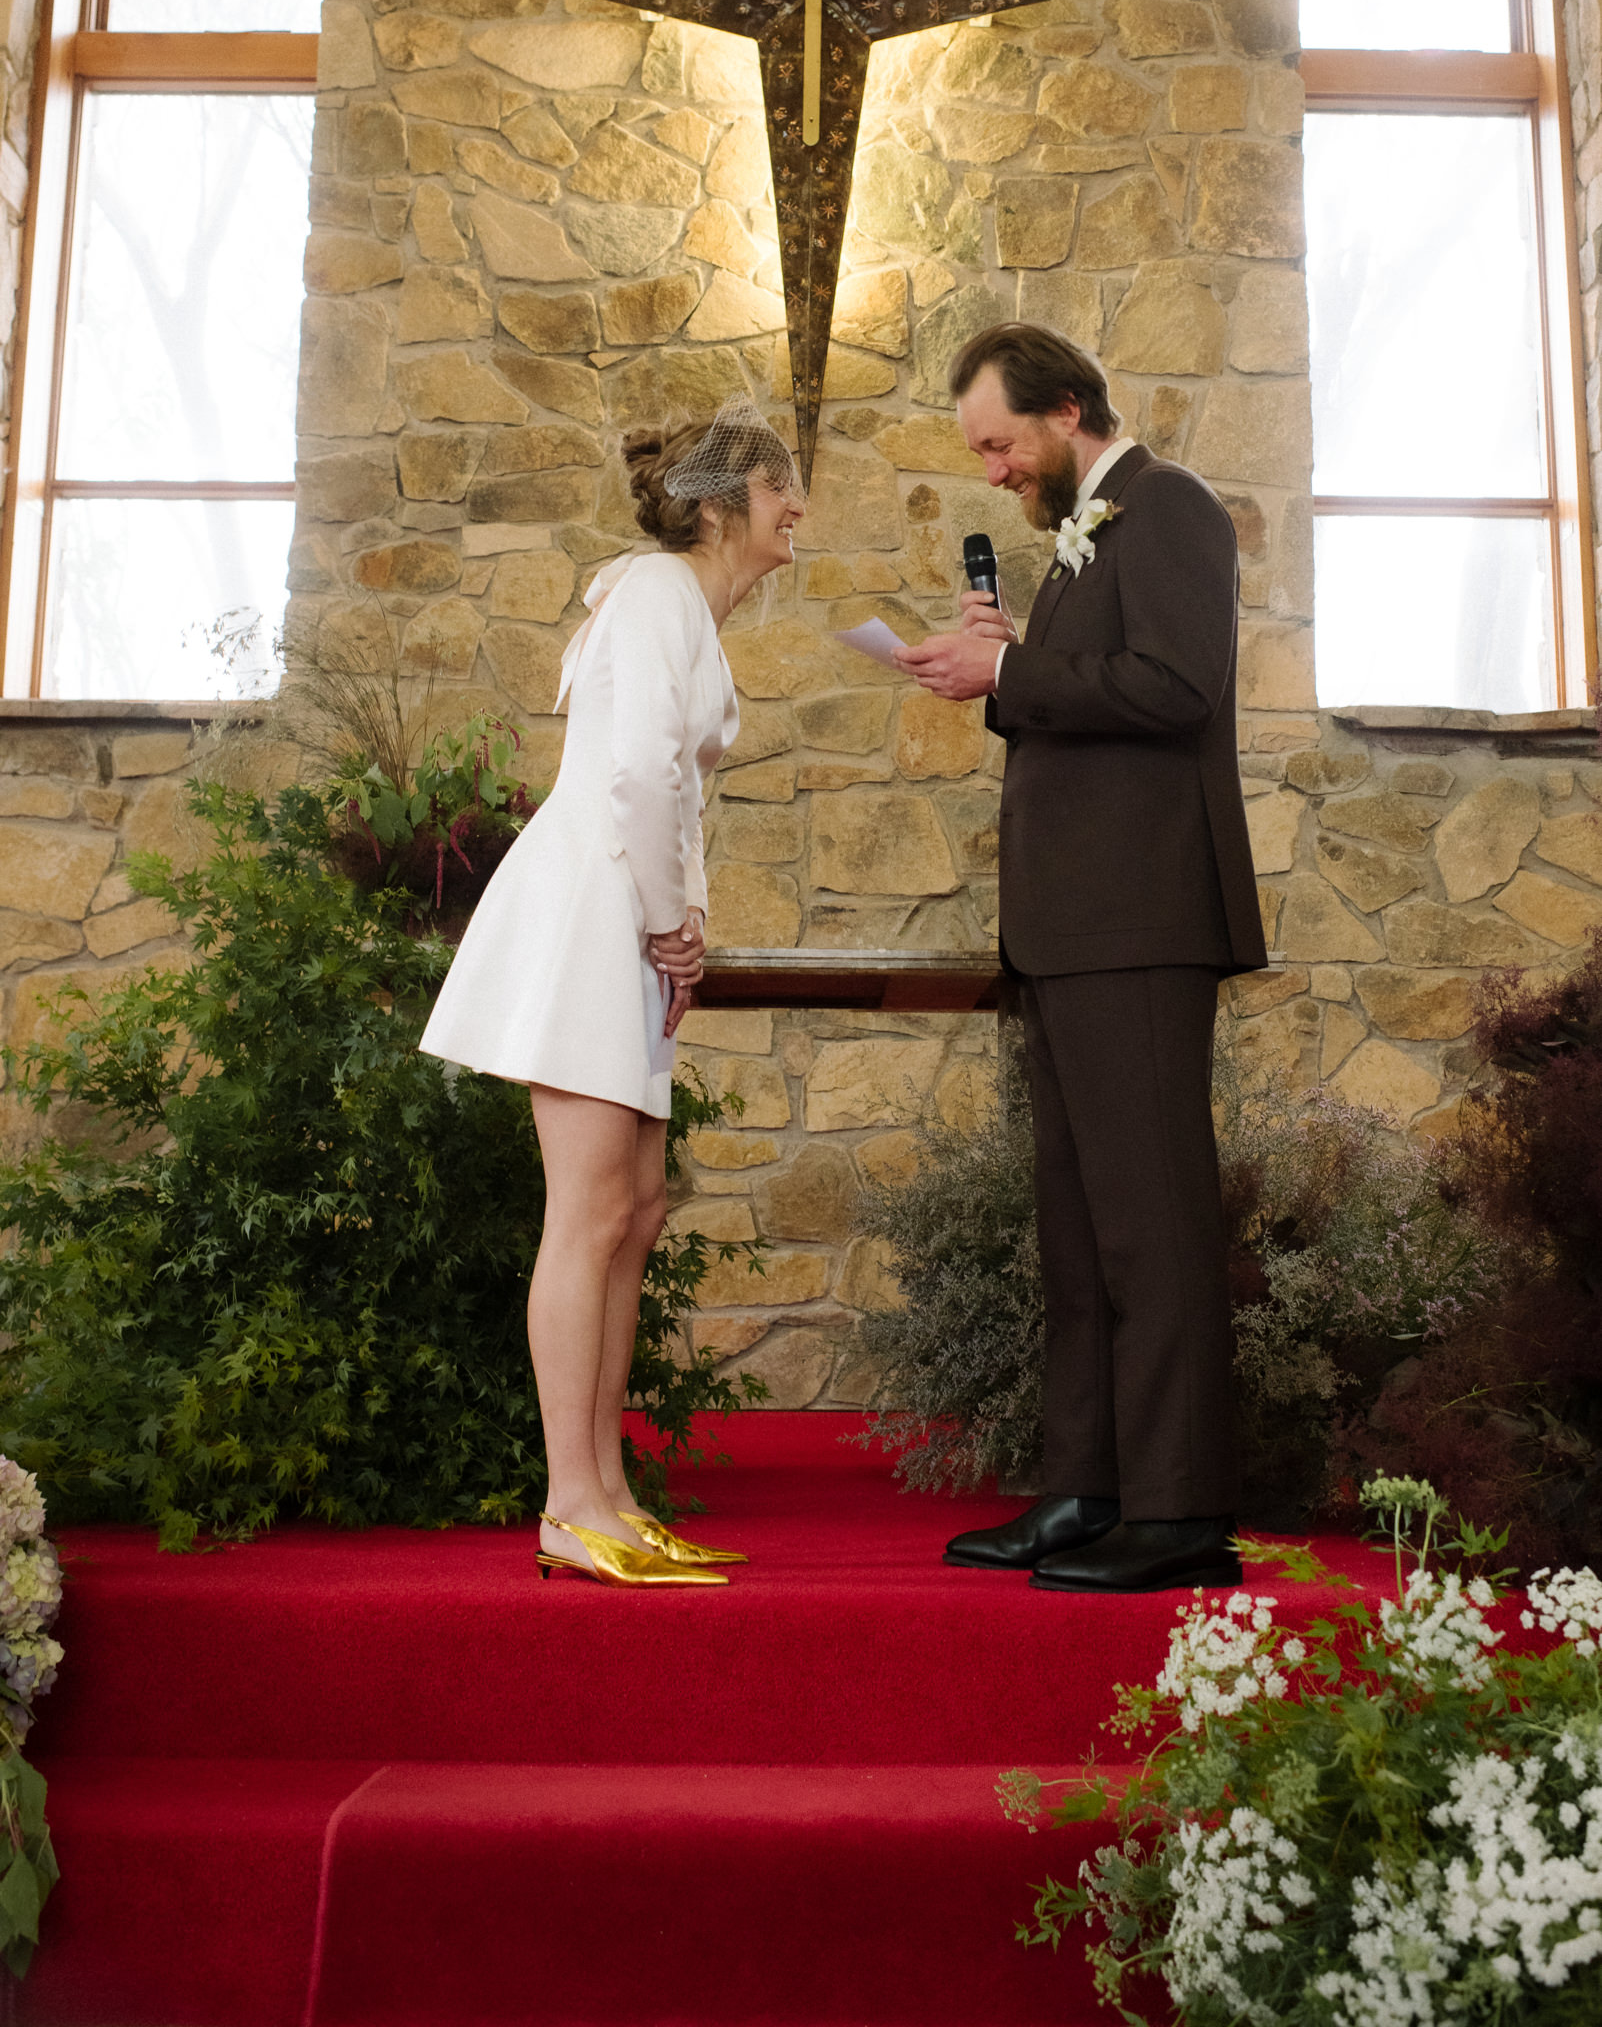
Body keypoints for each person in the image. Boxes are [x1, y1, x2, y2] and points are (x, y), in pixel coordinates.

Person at [897, 324, 1266, 1594]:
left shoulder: (1169, 510)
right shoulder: (1079, 538)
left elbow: (1177, 688)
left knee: (1151, 1227)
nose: (994, 471)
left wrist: (1011, 668)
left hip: (1142, 924)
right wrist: (1009, 668)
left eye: (1001, 442)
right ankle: (1085, 1489)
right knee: (1078, 1227)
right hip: (1069, 933)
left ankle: (1179, 1515)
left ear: (1065, 412)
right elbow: (1084, 693)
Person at [420, 397, 806, 1587]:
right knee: (588, 1215)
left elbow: (673, 791)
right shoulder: (652, 590)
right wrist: (663, 928)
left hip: (628, 924)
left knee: (633, 1210)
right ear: (724, 503)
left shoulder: (681, 607)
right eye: (782, 486)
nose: (799, 506)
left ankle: (612, 1494)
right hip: (595, 919)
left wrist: (686, 924)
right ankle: (569, 1504)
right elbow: (636, 772)